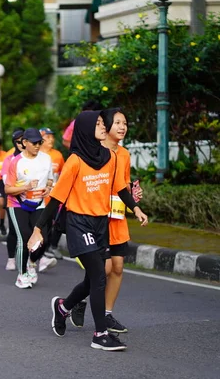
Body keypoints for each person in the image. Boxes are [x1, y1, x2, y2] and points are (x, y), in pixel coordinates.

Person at [27, 110, 148, 351]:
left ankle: (63, 307)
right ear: (86, 129)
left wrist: (135, 208)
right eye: (100, 124)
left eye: (104, 123)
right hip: (79, 223)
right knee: (100, 275)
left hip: (100, 223)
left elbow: (121, 189)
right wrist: (38, 229)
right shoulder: (75, 161)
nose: (104, 127)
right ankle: (100, 334)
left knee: (92, 278)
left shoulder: (110, 157)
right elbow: (56, 199)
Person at [69, 108, 143, 333]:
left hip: (117, 217)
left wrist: (135, 199)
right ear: (105, 127)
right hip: (95, 218)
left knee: (117, 267)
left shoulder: (124, 155)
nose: (122, 127)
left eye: (125, 123)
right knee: (104, 269)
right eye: (118, 123)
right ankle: (73, 303)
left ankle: (107, 315)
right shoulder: (92, 150)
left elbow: (123, 185)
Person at [5, 128, 56, 289]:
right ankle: (22, 275)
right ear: (24, 143)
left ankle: (32, 264)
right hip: (17, 204)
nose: (37, 146)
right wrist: (25, 187)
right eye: (34, 143)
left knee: (43, 240)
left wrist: (48, 188)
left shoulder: (46, 159)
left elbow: (50, 180)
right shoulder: (16, 162)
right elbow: (8, 189)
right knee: (24, 238)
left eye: (39, 142)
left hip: (38, 203)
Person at [39, 127, 65, 260]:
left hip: (55, 196)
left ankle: (51, 246)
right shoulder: (36, 155)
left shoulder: (58, 155)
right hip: (40, 196)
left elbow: (63, 174)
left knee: (55, 223)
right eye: (48, 137)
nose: (51, 139)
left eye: (52, 137)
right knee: (42, 223)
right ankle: (40, 249)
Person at [0, 129, 24, 270]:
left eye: (24, 140)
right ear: (15, 143)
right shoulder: (9, 160)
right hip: (14, 200)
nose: (22, 143)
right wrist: (24, 187)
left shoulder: (34, 157)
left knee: (29, 230)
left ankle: (31, 260)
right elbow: (6, 181)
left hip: (33, 199)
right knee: (14, 230)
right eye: (19, 140)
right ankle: (11, 259)